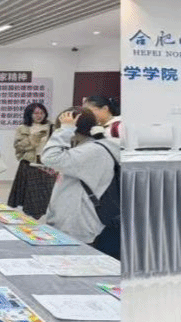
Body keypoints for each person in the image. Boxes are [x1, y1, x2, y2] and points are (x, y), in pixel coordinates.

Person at [40, 107, 121, 258]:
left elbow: (50, 157)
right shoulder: (91, 148)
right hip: (76, 221)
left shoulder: (91, 151)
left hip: (78, 225)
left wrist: (65, 130)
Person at [7, 102, 52, 213]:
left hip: (46, 163)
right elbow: (19, 147)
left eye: (42, 113)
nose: (39, 116)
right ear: (29, 114)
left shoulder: (51, 127)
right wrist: (34, 139)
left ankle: (39, 214)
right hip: (29, 163)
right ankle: (27, 216)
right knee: (28, 195)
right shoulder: (23, 128)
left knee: (44, 194)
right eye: (36, 113)